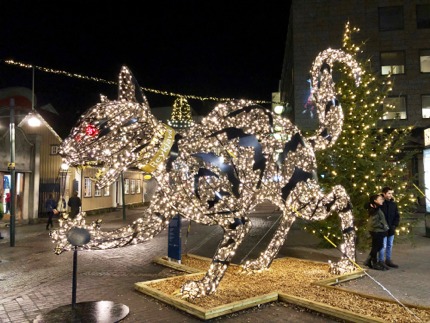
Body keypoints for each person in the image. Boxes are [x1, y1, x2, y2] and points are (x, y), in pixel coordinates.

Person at [364, 194, 389, 271]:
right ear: (375, 201)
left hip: (378, 230)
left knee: (377, 246)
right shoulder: (374, 209)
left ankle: (369, 261)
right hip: (376, 231)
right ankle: (372, 262)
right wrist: (383, 227)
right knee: (377, 246)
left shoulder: (377, 207)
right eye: (380, 199)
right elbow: (374, 222)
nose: (382, 200)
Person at [378, 186, 400, 268]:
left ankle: (388, 260)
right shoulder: (380, 204)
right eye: (389, 193)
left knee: (389, 245)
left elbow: (397, 216)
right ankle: (381, 261)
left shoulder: (393, 204)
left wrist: (394, 225)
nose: (390, 195)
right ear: (384, 194)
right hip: (382, 229)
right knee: (382, 245)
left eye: (391, 193)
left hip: (391, 228)